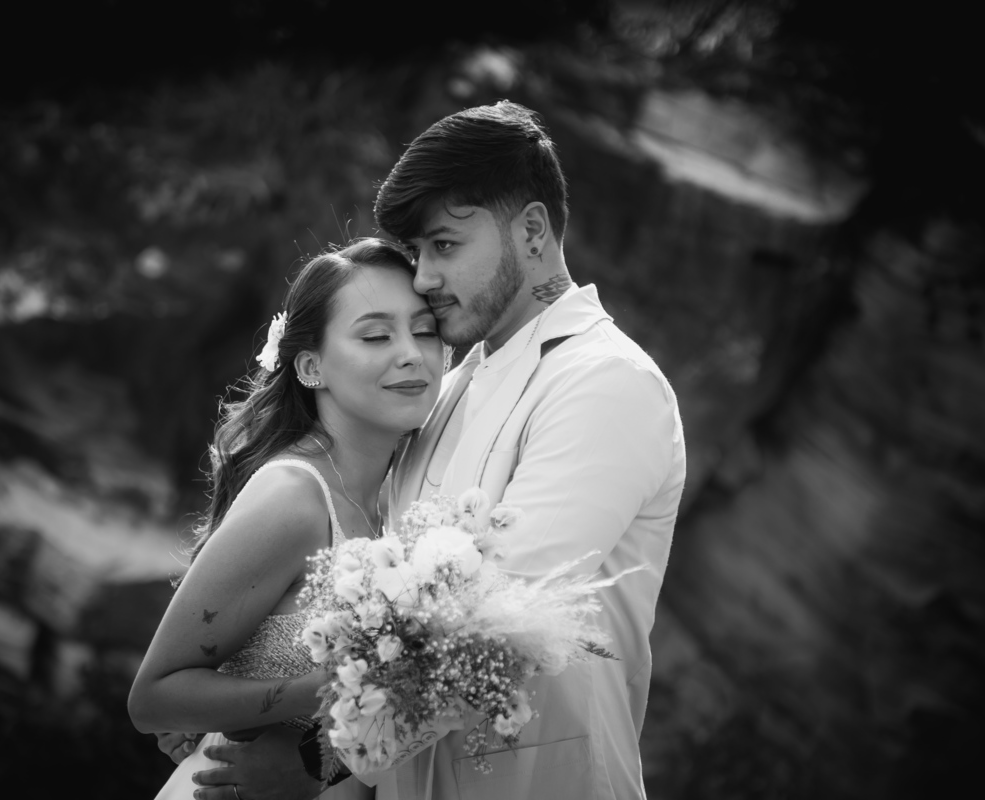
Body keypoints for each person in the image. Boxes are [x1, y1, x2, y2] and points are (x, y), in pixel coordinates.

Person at [190, 100, 686, 800]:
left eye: (445, 245)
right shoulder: (445, 390)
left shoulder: (607, 382)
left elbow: (495, 621)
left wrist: (317, 762)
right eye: (418, 251)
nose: (423, 276)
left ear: (532, 231)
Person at [129, 238, 445, 800]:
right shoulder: (294, 497)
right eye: (376, 336)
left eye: (424, 331)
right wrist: (321, 691)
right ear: (310, 366)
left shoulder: (404, 494)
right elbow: (153, 699)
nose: (411, 354)